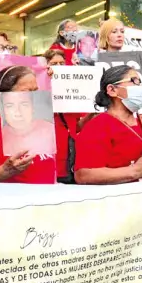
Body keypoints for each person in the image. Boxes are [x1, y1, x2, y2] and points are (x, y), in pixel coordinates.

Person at [74, 65, 142, 184]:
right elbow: (83, 175)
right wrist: (133, 172)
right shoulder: (98, 126)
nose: (141, 87)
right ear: (112, 90)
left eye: (140, 82)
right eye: (134, 81)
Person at [0, 66, 57, 184]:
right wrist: (2, 173)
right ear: (3, 98)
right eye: (26, 92)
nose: (34, 97)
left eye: (36, 91)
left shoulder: (41, 125)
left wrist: (55, 76)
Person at [45, 49, 83, 183]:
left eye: (62, 63)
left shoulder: (73, 94)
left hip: (69, 160)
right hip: (48, 158)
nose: (59, 67)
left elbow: (77, 127)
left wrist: (92, 111)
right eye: (54, 63)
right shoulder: (39, 90)